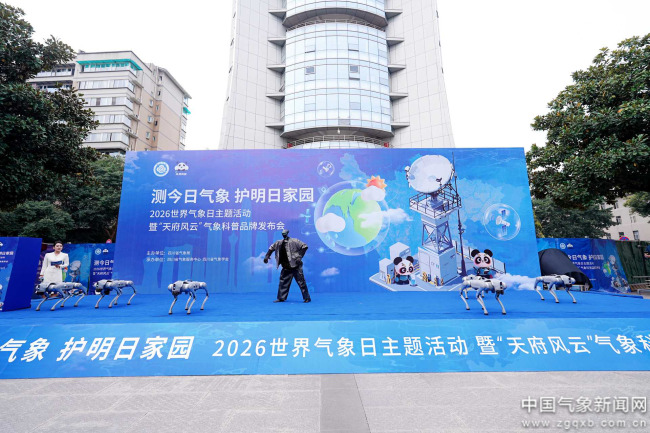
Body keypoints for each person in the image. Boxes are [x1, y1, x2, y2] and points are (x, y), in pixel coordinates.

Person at [264, 229, 311, 303]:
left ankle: (307, 298)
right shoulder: (279, 243)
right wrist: (267, 256)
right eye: (283, 234)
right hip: (286, 266)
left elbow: (304, 246)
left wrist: (299, 256)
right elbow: (271, 248)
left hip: (296, 266)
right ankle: (281, 298)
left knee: (301, 282)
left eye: (285, 234)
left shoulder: (294, 241)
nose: (284, 235)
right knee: (283, 283)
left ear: (287, 233)